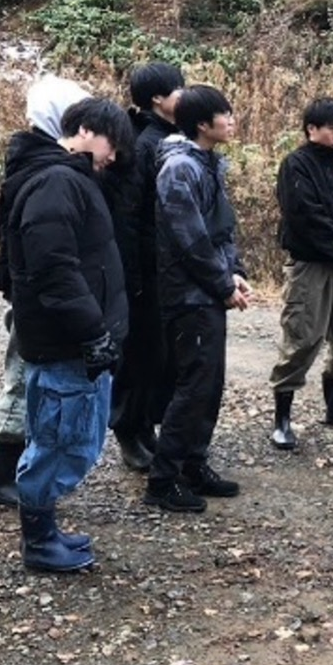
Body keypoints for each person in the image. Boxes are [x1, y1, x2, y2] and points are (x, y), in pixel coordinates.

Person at [4, 97, 134, 571]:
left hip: (73, 340)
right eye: (111, 143)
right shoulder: (56, 181)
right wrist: (92, 331)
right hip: (68, 343)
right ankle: (38, 543)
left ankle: (45, 532)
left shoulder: (68, 178)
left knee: (68, 436)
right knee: (61, 440)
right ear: (83, 130)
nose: (113, 156)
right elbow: (54, 269)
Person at [0, 74, 92, 508]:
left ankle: (19, 466)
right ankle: (4, 472)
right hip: (34, 289)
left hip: (33, 286)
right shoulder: (42, 164)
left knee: (29, 373)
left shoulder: (37, 156)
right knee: (21, 375)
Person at [144, 85, 253, 512]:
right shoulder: (178, 168)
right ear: (203, 124)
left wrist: (235, 272)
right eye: (225, 114)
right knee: (193, 385)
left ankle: (193, 464)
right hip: (187, 295)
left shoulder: (208, 163)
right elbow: (189, 238)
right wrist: (222, 285)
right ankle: (162, 480)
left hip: (207, 291)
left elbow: (220, 229)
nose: (232, 121)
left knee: (210, 384)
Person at [268, 97, 333, 450]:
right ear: (311, 129)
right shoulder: (295, 165)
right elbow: (304, 214)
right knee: (302, 336)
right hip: (310, 264)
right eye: (331, 128)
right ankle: (282, 419)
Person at [109, 62, 186, 472]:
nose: (185, 96)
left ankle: (145, 427)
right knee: (141, 354)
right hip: (147, 269)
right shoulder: (143, 145)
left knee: (162, 355)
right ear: (157, 99)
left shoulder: (172, 137)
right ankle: (128, 429)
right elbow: (129, 217)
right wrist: (134, 278)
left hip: (168, 268)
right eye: (178, 90)